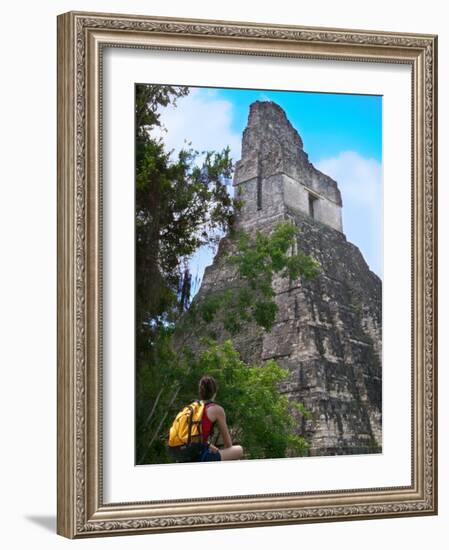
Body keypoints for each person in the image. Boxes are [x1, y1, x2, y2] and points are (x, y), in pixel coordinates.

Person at [197, 375, 244, 462]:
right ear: (215, 392)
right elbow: (228, 445)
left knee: (214, 450)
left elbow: (193, 440)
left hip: (178, 452)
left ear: (200, 392)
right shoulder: (217, 409)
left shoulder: (192, 408)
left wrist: (210, 446)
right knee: (238, 450)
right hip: (198, 456)